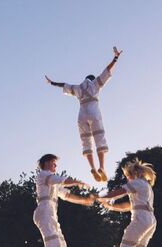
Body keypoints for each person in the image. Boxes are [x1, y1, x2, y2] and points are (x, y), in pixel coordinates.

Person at [45, 46, 122, 182]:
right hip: (94, 112)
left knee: (86, 142)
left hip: (81, 115)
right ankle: (102, 167)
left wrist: (51, 83)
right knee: (99, 138)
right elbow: (107, 70)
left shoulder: (78, 88)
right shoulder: (95, 84)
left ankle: (92, 167)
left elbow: (63, 84)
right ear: (92, 79)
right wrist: (115, 58)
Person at [97, 159, 158, 247]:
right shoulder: (146, 187)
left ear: (133, 174)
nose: (127, 179)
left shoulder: (136, 182)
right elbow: (127, 205)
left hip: (141, 219)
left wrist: (101, 198)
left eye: (127, 176)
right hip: (151, 220)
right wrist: (111, 207)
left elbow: (120, 192)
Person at [32, 154, 94, 247]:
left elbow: (67, 195)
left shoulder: (53, 182)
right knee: (52, 239)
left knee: (60, 241)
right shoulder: (43, 175)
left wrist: (85, 201)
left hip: (50, 212)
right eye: (54, 164)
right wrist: (77, 182)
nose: (56, 166)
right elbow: (63, 180)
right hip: (44, 210)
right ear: (47, 163)